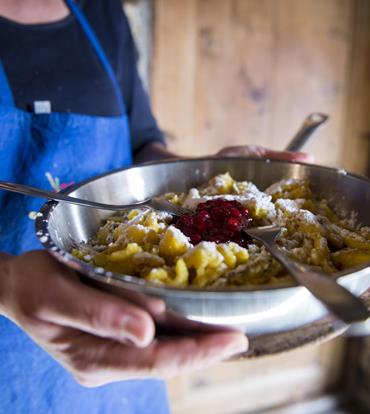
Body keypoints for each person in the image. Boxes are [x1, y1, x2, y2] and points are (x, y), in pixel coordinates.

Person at [0, 1, 310, 413]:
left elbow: (143, 142)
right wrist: (7, 284)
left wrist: (202, 179)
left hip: (127, 359)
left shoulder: (102, 12)